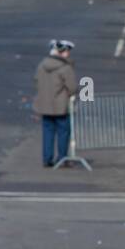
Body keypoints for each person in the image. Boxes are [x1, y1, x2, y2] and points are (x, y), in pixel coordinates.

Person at [33, 40, 78, 168]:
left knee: (48, 132)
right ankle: (62, 158)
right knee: (63, 132)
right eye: (67, 51)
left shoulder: (42, 65)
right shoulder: (65, 68)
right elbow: (72, 87)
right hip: (61, 106)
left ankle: (47, 159)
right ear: (62, 52)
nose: (68, 54)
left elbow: (36, 81)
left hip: (45, 105)